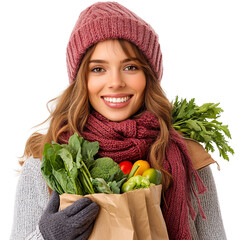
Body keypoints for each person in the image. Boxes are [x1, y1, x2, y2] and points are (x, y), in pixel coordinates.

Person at [10, 2, 227, 240]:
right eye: (98, 69)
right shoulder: (46, 162)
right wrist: (47, 236)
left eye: (130, 67)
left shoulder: (187, 158)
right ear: (82, 80)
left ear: (148, 76)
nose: (115, 82)